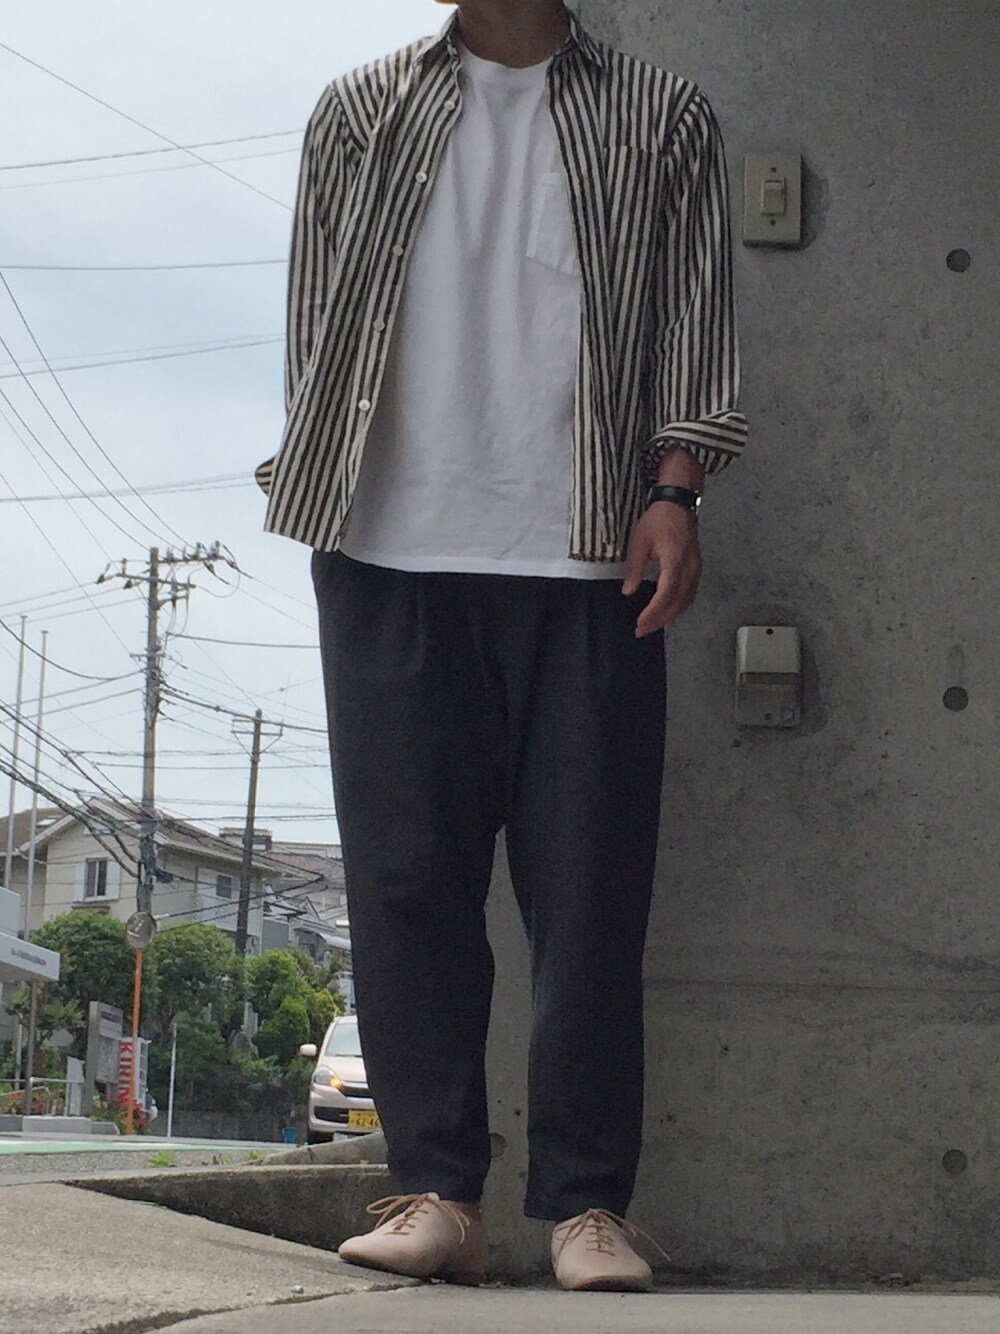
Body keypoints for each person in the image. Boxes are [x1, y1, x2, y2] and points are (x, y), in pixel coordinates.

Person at [256, 0, 746, 1293]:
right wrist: (322, 483)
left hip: (592, 556)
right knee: (405, 883)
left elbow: (696, 320)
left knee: (591, 893)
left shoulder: (664, 116)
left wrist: (677, 489)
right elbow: (315, 328)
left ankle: (587, 1206)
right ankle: (439, 1194)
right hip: (388, 547)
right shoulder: (360, 111)